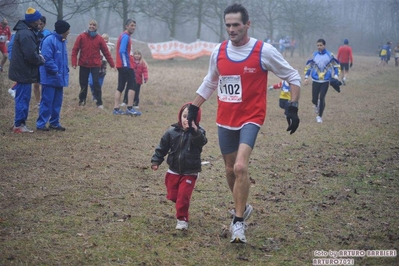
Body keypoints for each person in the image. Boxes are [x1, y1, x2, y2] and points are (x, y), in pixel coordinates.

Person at [186, 3, 301, 243]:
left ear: (247, 24)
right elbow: (210, 81)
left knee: (240, 167)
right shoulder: (218, 51)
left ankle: (238, 223)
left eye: (236, 24)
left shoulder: (263, 50)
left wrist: (293, 106)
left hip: (251, 117)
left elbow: (293, 76)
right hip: (225, 118)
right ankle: (242, 206)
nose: (231, 29)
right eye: (227, 25)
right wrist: (193, 106)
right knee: (229, 169)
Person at [151, 102, 207, 230]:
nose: (186, 119)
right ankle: (180, 203)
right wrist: (156, 161)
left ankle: (182, 220)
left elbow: (201, 142)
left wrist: (194, 131)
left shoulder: (199, 132)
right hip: (173, 170)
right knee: (172, 196)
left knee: (183, 197)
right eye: (184, 116)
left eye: (190, 117)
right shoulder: (171, 132)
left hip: (190, 172)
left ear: (196, 119)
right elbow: (162, 147)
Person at [8, 7, 45, 133]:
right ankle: (19, 125)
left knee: (21, 97)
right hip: (23, 72)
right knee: (23, 98)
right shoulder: (26, 34)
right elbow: (30, 55)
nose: (39, 22)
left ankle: (18, 123)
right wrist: (40, 60)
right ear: (33, 21)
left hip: (22, 71)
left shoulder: (24, 31)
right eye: (38, 20)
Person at [71, 19, 115, 108]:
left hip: (95, 64)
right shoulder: (81, 36)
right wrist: (74, 62)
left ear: (96, 27)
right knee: (83, 83)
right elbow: (75, 50)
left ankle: (99, 102)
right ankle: (82, 101)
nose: (92, 26)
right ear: (88, 25)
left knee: (96, 83)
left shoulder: (99, 39)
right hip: (84, 63)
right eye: (90, 24)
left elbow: (106, 52)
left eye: (94, 25)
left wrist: (112, 64)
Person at [36, 20, 70, 132]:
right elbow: (47, 59)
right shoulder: (50, 40)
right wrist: (56, 71)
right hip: (50, 78)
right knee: (47, 101)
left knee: (57, 102)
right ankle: (41, 124)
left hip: (59, 78)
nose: (69, 32)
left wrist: (65, 71)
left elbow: (63, 59)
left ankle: (54, 123)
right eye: (67, 30)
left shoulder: (63, 41)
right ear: (63, 30)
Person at [304, 38, 340, 123]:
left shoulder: (330, 55)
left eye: (320, 45)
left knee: (322, 97)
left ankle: (319, 116)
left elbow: (336, 65)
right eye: (317, 45)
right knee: (314, 99)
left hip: (325, 80)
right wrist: (306, 77)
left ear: (324, 45)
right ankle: (316, 104)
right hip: (315, 80)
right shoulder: (314, 55)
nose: (319, 47)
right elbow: (309, 66)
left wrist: (336, 75)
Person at [113, 19, 141, 116]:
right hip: (126, 66)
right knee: (132, 85)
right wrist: (126, 64)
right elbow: (122, 51)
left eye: (134, 26)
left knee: (120, 86)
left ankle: (116, 108)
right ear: (126, 26)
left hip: (121, 65)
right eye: (131, 25)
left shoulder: (125, 36)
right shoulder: (125, 36)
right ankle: (130, 108)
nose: (133, 27)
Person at [89, 33, 115, 101]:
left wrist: (112, 65)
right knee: (91, 83)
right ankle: (93, 93)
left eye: (106, 39)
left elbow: (108, 56)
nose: (104, 40)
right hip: (94, 65)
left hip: (102, 67)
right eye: (103, 38)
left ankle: (96, 97)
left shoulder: (109, 47)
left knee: (99, 85)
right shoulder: (96, 44)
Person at [32, 16, 52, 107]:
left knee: (44, 83)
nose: (39, 26)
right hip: (35, 61)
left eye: (41, 24)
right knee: (36, 84)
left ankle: (45, 100)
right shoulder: (32, 32)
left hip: (44, 61)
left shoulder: (48, 34)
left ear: (44, 24)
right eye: (38, 24)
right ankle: (38, 102)